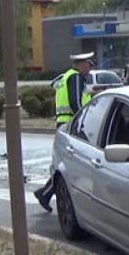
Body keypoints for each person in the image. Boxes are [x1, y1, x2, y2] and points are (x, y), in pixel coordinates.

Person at [35, 52, 94, 213]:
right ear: (81, 64)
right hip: (71, 123)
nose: (90, 67)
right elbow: (75, 102)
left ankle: (45, 194)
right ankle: (46, 194)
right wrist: (82, 120)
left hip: (64, 122)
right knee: (72, 163)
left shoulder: (65, 76)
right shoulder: (75, 77)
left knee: (65, 163)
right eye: (89, 64)